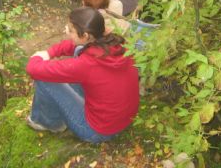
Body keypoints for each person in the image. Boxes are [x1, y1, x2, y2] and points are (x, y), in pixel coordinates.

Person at [26, 7, 139, 143]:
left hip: (97, 131)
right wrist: (50, 52)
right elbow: (76, 46)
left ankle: (47, 122)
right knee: (79, 50)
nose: (67, 32)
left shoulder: (86, 65)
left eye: (71, 30)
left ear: (85, 36)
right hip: (122, 120)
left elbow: (33, 69)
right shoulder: (117, 45)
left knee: (44, 80)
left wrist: (38, 56)